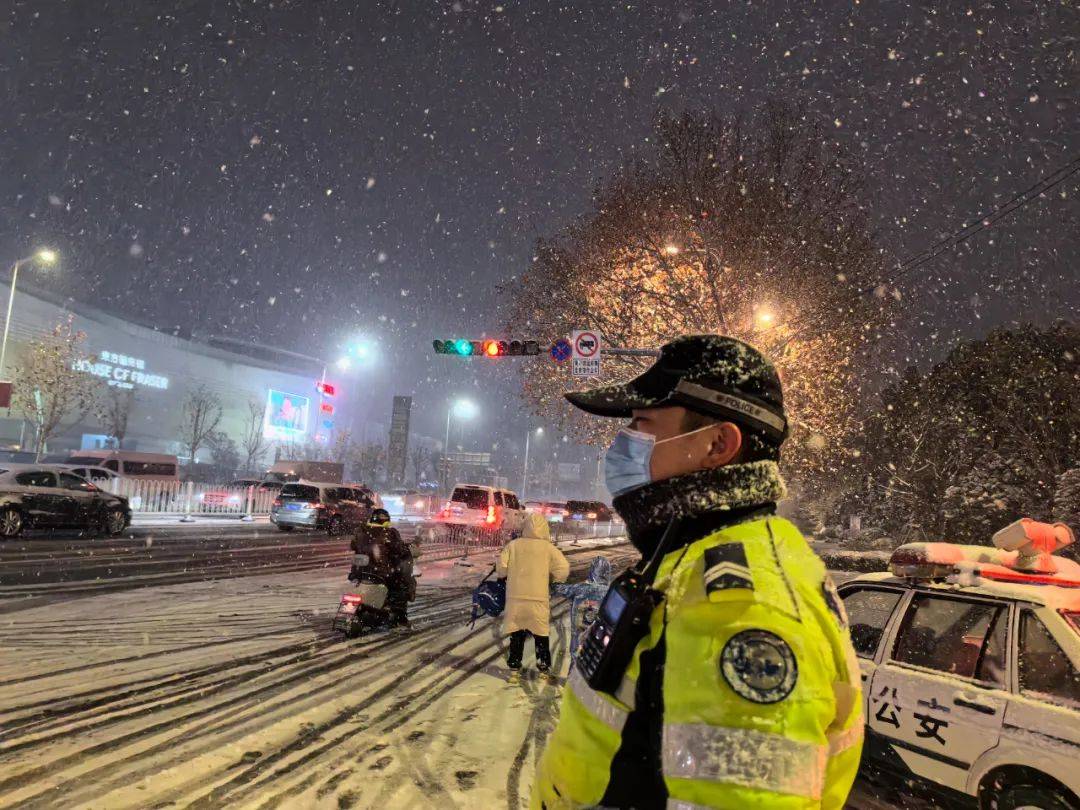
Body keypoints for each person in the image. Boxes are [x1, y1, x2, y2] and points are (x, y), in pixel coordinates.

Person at [532, 335, 863, 810]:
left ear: (717, 444)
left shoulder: (744, 610)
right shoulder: (685, 555)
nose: (622, 444)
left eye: (643, 424)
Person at [497, 512, 570, 678]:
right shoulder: (548, 548)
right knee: (541, 634)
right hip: (538, 598)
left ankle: (514, 668)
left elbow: (501, 567)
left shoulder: (513, 545)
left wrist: (505, 575)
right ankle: (543, 668)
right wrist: (556, 582)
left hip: (516, 597)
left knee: (517, 633)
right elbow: (563, 568)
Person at [350, 508, 417, 627]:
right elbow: (399, 550)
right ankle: (400, 618)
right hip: (380, 573)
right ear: (386, 521)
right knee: (401, 586)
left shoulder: (360, 531)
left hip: (359, 572)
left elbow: (354, 546)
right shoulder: (389, 533)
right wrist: (407, 549)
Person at [552, 556, 612, 668]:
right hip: (597, 643)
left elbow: (559, 589)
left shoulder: (581, 589)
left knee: (575, 667)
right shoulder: (611, 593)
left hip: (577, 641)